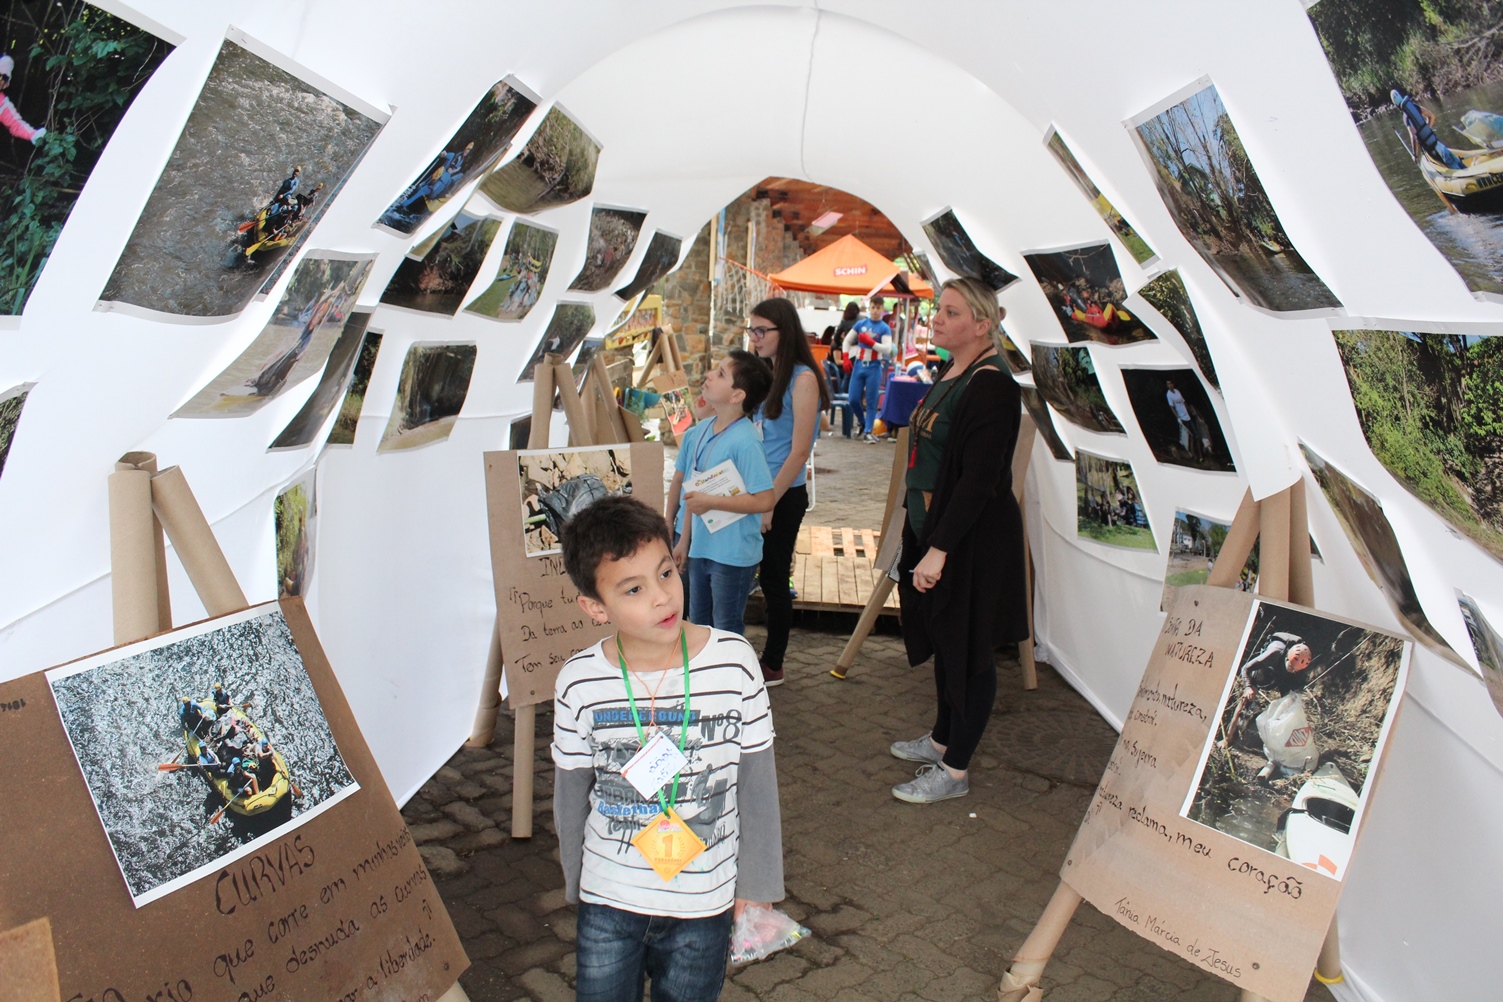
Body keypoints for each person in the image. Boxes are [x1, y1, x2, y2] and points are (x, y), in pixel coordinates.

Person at [552, 495, 783, 1002]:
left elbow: (757, 784)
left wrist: (758, 884)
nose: (661, 597)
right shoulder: (579, 682)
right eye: (633, 589)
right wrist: (578, 882)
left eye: (665, 573)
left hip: (707, 902)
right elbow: (571, 794)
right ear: (595, 606)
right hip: (610, 898)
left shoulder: (735, 663)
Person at [889, 277, 1029, 804]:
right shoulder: (955, 371)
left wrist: (940, 549)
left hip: (971, 540)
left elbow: (979, 479)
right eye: (938, 309)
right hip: (937, 529)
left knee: (969, 651)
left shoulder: (992, 385)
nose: (938, 319)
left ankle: (955, 771)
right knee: (947, 642)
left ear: (982, 324)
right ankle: (943, 737)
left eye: (950, 312)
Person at [747, 298, 832, 687]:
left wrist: (769, 502)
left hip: (782, 495)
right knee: (746, 572)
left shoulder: (803, 379)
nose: (755, 338)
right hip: (753, 493)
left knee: (775, 578)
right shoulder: (767, 373)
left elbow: (799, 451)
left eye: (762, 331)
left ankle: (773, 662)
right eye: (752, 330)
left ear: (785, 331)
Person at [668, 351, 775, 636]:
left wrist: (711, 502)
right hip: (699, 547)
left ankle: (730, 678)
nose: (709, 376)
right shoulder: (700, 430)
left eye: (720, 374)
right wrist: (683, 542)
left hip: (732, 553)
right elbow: (691, 493)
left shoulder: (746, 441)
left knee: (725, 627)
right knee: (699, 624)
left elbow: (765, 500)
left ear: (737, 395)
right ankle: (704, 679)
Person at [843, 298, 894, 442]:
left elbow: (887, 349)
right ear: (869, 307)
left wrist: (870, 342)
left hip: (874, 366)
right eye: (873, 307)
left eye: (878, 308)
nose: (875, 310)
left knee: (871, 401)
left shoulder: (884, 328)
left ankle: (868, 431)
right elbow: (847, 340)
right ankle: (862, 422)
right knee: (853, 398)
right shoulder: (861, 324)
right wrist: (846, 357)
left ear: (882, 309)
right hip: (859, 364)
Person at [1392, 89, 1465, 170]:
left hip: (1431, 148)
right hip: (1436, 142)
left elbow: (1413, 138)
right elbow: (1431, 116)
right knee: (1457, 162)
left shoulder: (1406, 117)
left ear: (1397, 106)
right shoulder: (1415, 107)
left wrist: (1415, 156)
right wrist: (1426, 129)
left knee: (1452, 166)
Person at [0, 55, 45, 145]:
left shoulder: (2, 104)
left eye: (4, 77)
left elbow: (15, 123)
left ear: (5, 83)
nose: (0, 79)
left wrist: (33, 135)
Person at [1165, 379, 1193, 453]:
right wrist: (1178, 418)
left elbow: (1183, 402)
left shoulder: (1177, 391)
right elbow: (1172, 407)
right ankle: (1190, 453)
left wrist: (1190, 411)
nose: (1170, 385)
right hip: (1181, 417)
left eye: (1171, 384)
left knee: (1194, 435)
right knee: (1187, 435)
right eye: (1168, 384)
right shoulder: (1168, 394)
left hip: (1187, 415)